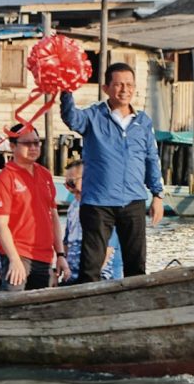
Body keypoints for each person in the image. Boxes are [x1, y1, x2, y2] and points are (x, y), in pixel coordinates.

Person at [60, 62, 164, 283]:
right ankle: (88, 310)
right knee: (91, 266)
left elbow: (151, 158)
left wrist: (157, 195)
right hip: (98, 202)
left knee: (136, 265)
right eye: (118, 85)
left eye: (129, 85)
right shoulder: (92, 116)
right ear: (106, 88)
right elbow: (71, 118)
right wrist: (66, 90)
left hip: (133, 200)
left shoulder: (143, 121)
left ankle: (133, 311)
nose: (124, 89)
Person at [0, 123, 69, 291]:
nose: (33, 147)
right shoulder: (4, 179)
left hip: (45, 256)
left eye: (36, 143)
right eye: (26, 143)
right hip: (18, 254)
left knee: (43, 308)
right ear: (12, 146)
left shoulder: (45, 174)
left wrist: (60, 255)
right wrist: (14, 259)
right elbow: (0, 225)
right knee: (13, 306)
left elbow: (53, 216)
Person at [61, 160, 122, 284]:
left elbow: (108, 248)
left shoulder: (103, 206)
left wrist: (91, 275)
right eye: (66, 184)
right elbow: (66, 242)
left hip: (100, 276)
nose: (69, 188)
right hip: (74, 275)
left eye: (71, 182)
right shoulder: (73, 206)